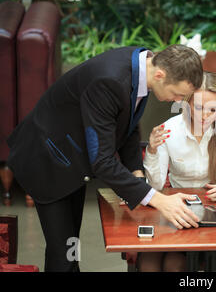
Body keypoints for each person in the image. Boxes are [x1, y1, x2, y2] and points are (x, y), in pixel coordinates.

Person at [6, 44, 204, 272]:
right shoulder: (109, 81)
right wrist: (158, 199)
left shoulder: (145, 64)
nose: (178, 101)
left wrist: (136, 173)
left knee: (72, 246)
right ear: (160, 75)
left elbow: (127, 123)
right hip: (48, 160)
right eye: (178, 94)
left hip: (73, 160)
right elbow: (102, 161)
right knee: (62, 253)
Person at [138, 71, 216, 271]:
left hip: (213, 214)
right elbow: (155, 186)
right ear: (186, 103)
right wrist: (152, 151)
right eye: (198, 108)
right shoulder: (169, 130)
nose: (205, 116)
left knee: (174, 264)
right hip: (176, 209)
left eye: (213, 109)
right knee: (149, 263)